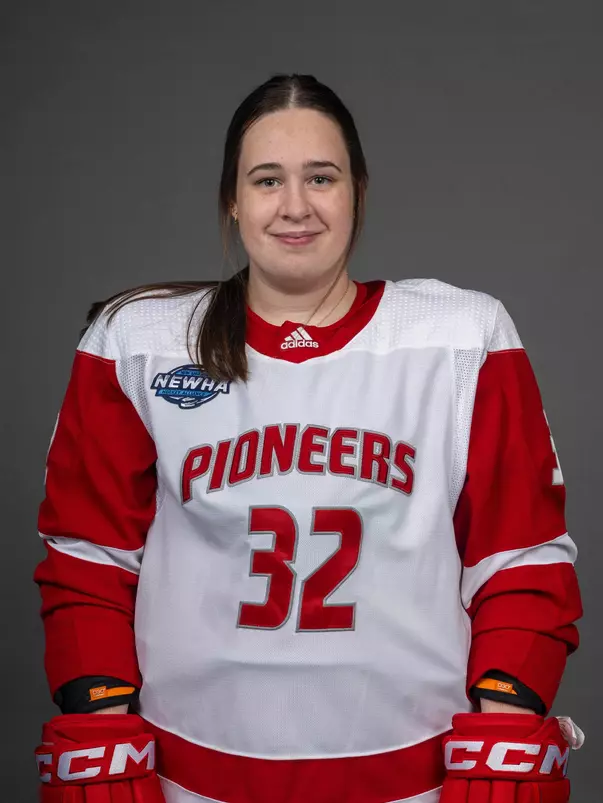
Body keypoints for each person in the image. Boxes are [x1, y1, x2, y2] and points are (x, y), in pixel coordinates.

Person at [34, 73, 584, 803]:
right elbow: (88, 556)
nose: (295, 206)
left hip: (415, 777)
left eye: (319, 178)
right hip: (186, 775)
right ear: (232, 198)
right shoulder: (140, 340)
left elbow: (518, 554)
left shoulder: (460, 334)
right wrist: (101, 718)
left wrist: (506, 721)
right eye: (267, 180)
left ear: (356, 188)